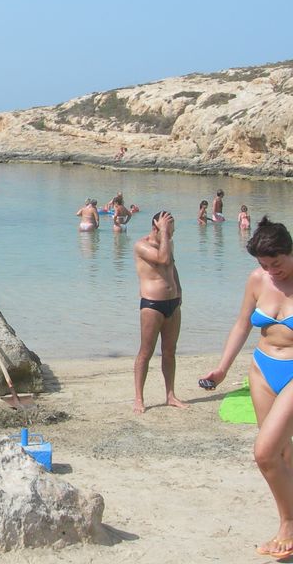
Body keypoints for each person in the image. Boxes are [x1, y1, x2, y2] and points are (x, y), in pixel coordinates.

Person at [201, 218, 293, 558]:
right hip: (262, 370)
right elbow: (242, 324)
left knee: (264, 453)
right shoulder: (257, 279)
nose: (271, 271)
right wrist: (222, 368)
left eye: (276, 263)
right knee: (282, 453)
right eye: (264, 265)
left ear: (290, 251)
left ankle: (288, 525)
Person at [132, 210, 187, 414]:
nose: (170, 235)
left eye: (172, 232)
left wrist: (179, 290)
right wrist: (164, 232)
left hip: (173, 303)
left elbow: (171, 265)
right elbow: (163, 259)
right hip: (152, 305)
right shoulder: (141, 245)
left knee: (170, 351)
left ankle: (170, 395)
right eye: (168, 231)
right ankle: (139, 398)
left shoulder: (168, 243)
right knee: (145, 352)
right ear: (156, 227)